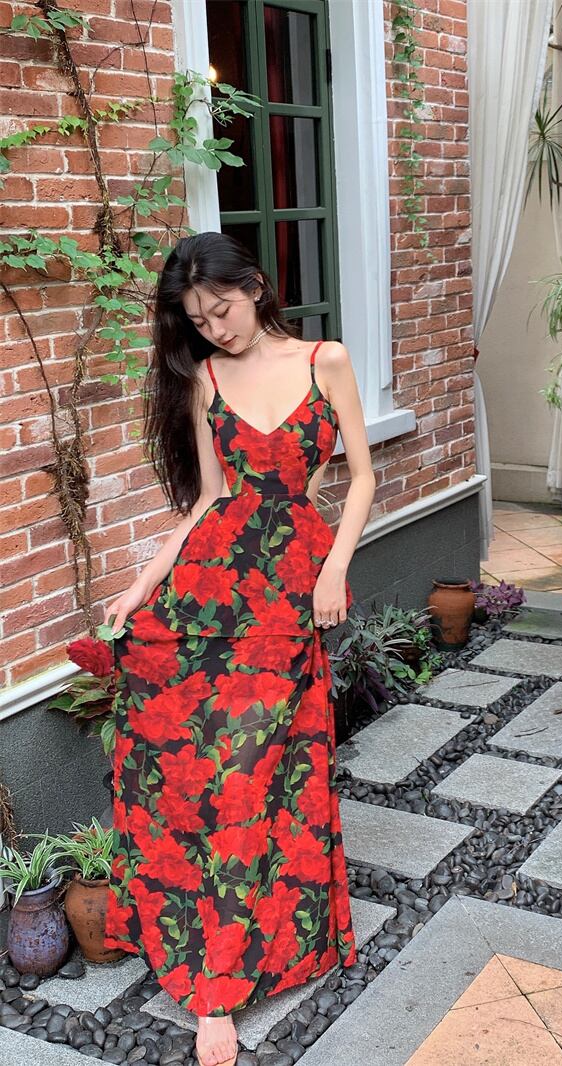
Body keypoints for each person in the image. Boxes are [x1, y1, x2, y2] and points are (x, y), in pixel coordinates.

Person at [101, 231, 376, 1066]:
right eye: (198, 321)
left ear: (254, 286)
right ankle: (203, 960)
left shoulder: (327, 360)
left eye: (221, 309)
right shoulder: (205, 379)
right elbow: (207, 502)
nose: (214, 329)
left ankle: (224, 984)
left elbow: (362, 476)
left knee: (257, 776)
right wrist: (139, 590)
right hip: (207, 594)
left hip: (290, 595)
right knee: (194, 773)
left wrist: (336, 567)